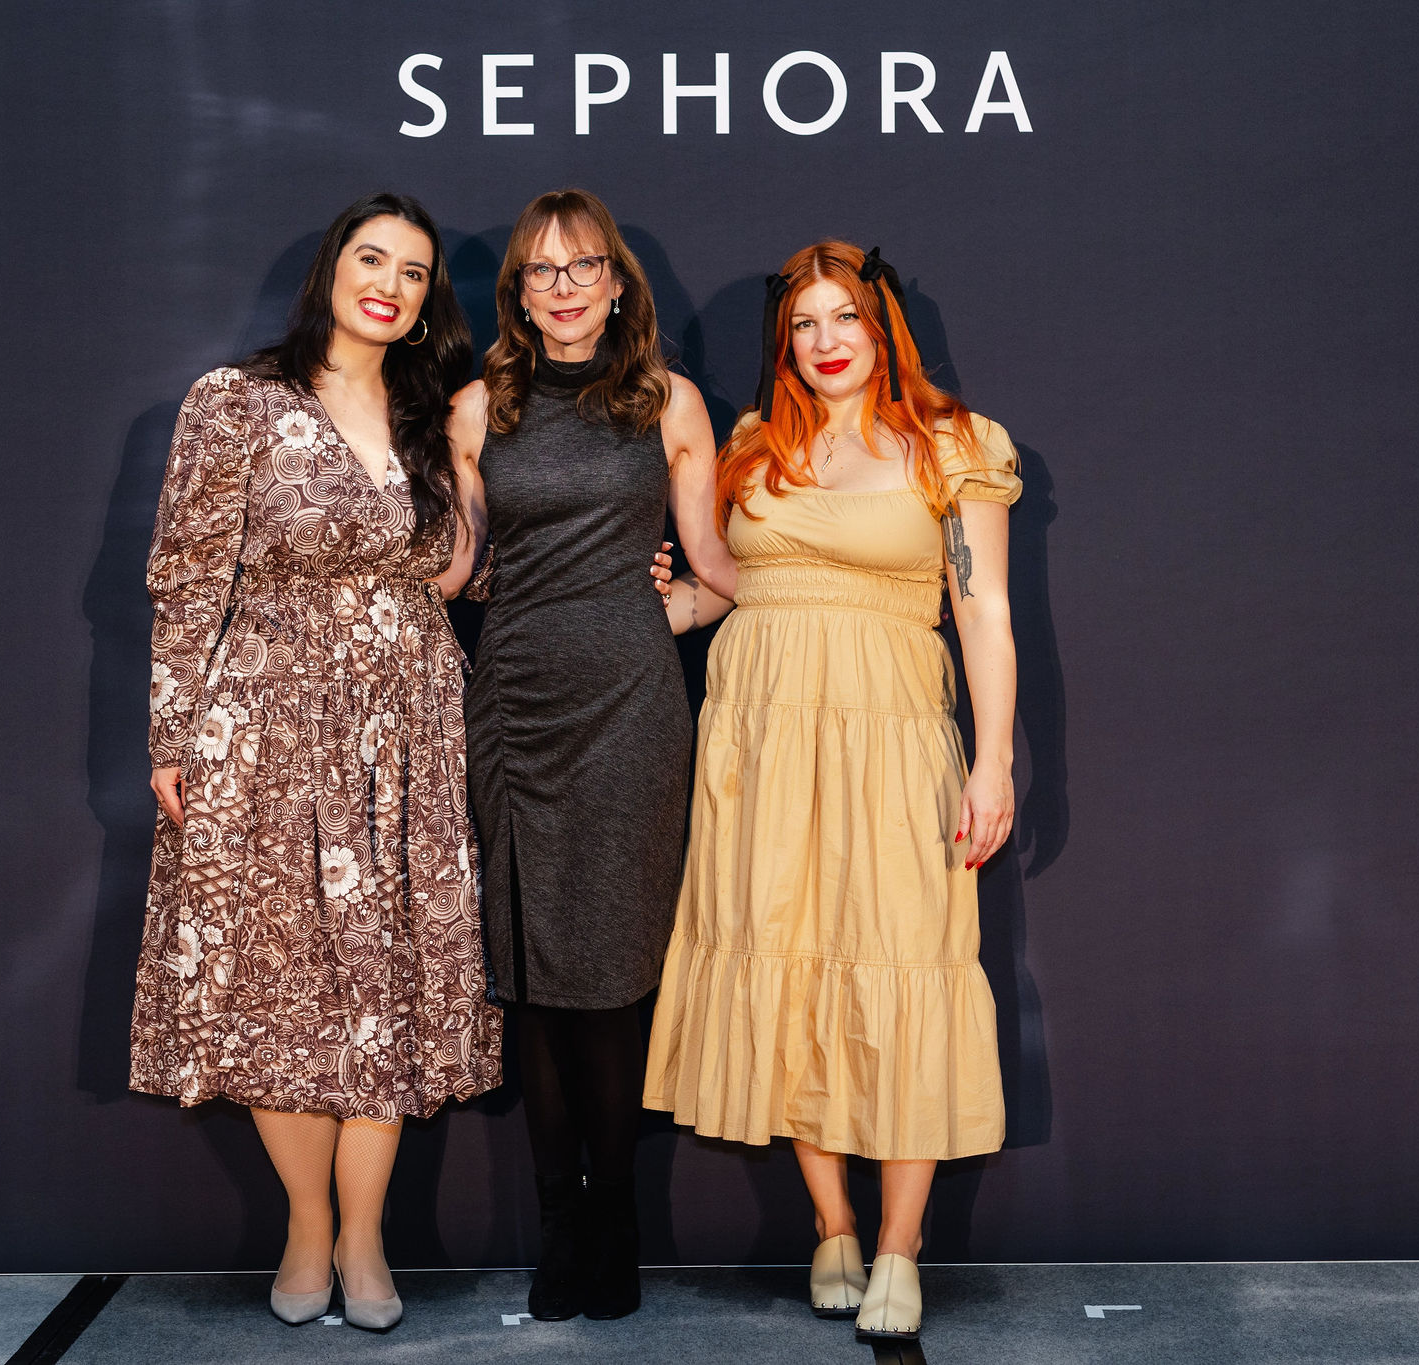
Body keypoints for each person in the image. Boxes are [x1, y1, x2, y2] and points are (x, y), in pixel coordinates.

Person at [130, 191, 501, 1332]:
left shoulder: (435, 414)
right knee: (279, 984)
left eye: (412, 271)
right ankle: (303, 1226)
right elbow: (187, 579)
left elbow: (463, 577)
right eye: (369, 257)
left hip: (408, 727)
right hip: (269, 722)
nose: (387, 282)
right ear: (332, 272)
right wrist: (175, 736)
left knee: (384, 981)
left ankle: (365, 1236)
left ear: (427, 300)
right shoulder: (235, 402)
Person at [644, 240, 1021, 1343]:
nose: (823, 343)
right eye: (802, 326)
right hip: (756, 746)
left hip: (890, 737)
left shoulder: (951, 445)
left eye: (842, 319)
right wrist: (614, 610)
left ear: (881, 326)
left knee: (902, 961)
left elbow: (983, 612)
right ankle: (832, 1227)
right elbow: (730, 594)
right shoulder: (754, 446)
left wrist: (991, 761)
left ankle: (899, 1248)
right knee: (791, 966)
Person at [447, 188, 732, 1321]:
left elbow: (711, 562)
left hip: (629, 711)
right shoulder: (475, 411)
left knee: (610, 985)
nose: (561, 288)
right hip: (513, 707)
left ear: (618, 283)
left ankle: (610, 1220)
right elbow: (459, 573)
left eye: (582, 268)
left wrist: (653, 616)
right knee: (534, 988)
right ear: (516, 294)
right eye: (537, 273)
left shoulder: (669, 402)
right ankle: (557, 1226)